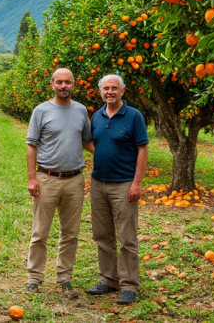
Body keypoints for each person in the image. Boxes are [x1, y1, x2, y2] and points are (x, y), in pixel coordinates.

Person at [25, 68, 93, 299]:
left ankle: (65, 277)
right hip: (47, 179)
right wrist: (32, 177)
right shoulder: (41, 110)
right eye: (59, 82)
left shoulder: (81, 110)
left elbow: (86, 142)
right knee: (40, 232)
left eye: (68, 82)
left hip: (74, 180)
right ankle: (34, 277)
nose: (63, 86)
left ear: (74, 84)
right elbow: (31, 145)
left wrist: (112, 155)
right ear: (52, 84)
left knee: (70, 233)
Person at [85, 74, 149, 305]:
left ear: (122, 90)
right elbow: (92, 142)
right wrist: (104, 155)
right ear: (100, 91)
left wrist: (137, 182)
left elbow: (142, 149)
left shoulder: (134, 116)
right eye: (105, 88)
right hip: (98, 183)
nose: (109, 92)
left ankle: (129, 285)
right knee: (102, 235)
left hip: (124, 184)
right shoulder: (97, 116)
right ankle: (108, 279)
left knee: (126, 237)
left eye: (114, 88)